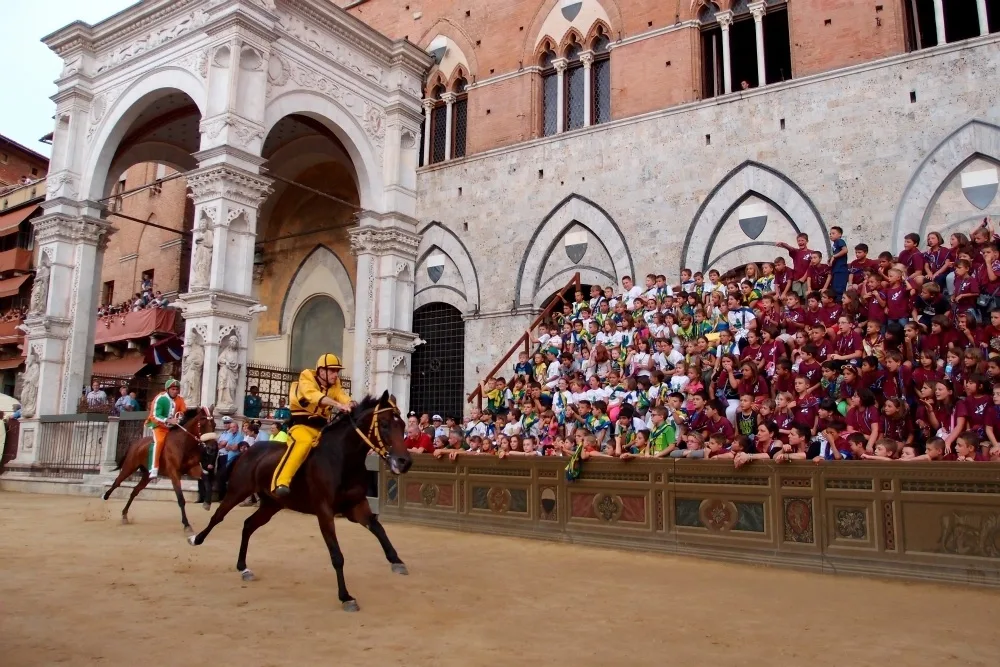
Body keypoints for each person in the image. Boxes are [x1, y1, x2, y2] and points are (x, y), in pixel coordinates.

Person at [271, 353, 353, 497]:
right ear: (321, 371)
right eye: (332, 370)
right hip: (301, 426)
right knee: (303, 443)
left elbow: (342, 395)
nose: (336, 374)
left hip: (321, 429)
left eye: (337, 371)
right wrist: (337, 404)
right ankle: (280, 482)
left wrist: (351, 403)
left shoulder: (335, 384)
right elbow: (312, 395)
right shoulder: (307, 376)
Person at [144, 379, 186, 480]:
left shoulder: (180, 399)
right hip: (159, 426)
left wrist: (179, 417)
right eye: (173, 389)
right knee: (160, 441)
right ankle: (154, 468)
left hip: (173, 427)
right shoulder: (160, 398)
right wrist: (168, 420)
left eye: (177, 389)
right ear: (167, 389)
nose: (175, 391)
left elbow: (183, 410)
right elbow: (155, 415)